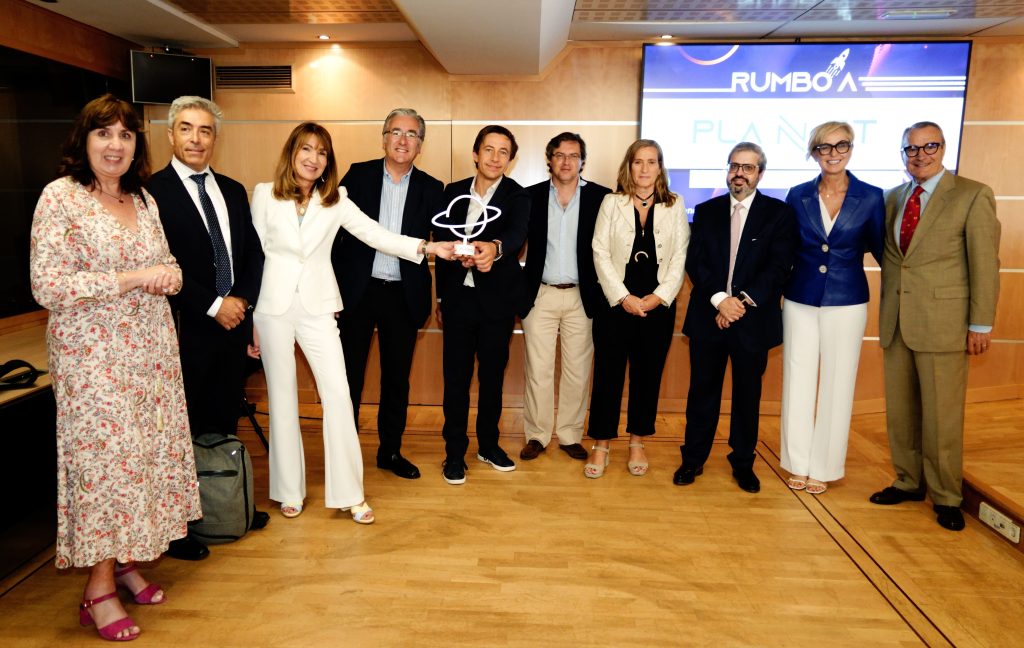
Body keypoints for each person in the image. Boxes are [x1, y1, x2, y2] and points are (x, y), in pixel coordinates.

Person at [30, 94, 201, 641]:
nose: (115, 145)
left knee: (142, 462)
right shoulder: (61, 198)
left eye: (125, 135)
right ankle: (98, 588)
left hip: (150, 356)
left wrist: (169, 276)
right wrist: (133, 279)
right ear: (83, 140)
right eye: (103, 133)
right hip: (93, 361)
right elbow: (47, 285)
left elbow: (168, 263)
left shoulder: (143, 199)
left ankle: (125, 563)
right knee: (107, 467)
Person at [248, 122, 452, 522]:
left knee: (339, 395)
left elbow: (377, 234)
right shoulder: (264, 195)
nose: (313, 158)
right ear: (292, 153)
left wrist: (427, 247)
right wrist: (251, 318)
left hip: (319, 308)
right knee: (282, 397)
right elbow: (254, 258)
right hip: (272, 309)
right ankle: (289, 490)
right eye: (306, 149)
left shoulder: (336, 199)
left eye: (322, 152)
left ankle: (350, 493)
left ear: (328, 161)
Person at [147, 96, 268, 561]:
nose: (196, 139)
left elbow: (252, 254)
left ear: (215, 138)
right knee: (183, 430)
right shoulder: (151, 193)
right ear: (170, 135)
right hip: (185, 327)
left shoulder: (233, 189)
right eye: (186, 128)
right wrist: (215, 305)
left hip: (233, 324)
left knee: (223, 420)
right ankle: (180, 529)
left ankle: (226, 505)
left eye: (205, 130)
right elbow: (162, 265)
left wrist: (242, 305)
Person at [870, 121, 1000, 531]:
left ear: (943, 149)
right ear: (903, 154)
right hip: (897, 321)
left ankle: (946, 496)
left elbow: (985, 264)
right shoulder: (891, 198)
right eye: (911, 148)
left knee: (942, 416)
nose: (920, 155)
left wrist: (980, 324)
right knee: (901, 413)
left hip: (944, 323)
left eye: (929, 146)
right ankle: (908, 481)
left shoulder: (972, 194)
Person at [675, 142, 796, 493]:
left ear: (760, 173)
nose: (739, 173)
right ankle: (692, 459)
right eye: (734, 166)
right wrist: (719, 301)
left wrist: (738, 304)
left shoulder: (778, 213)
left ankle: (743, 463)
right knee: (702, 394)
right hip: (708, 317)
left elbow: (779, 266)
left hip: (752, 320)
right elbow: (696, 261)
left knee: (747, 397)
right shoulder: (706, 210)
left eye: (748, 167)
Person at [331, 108, 444, 480]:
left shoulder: (433, 188)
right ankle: (344, 454)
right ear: (384, 138)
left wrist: (441, 297)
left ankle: (390, 451)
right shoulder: (358, 175)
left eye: (412, 134)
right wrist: (329, 291)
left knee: (397, 379)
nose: (402, 140)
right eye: (396, 132)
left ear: (420, 145)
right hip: (357, 293)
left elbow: (440, 245)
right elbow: (332, 237)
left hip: (402, 295)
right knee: (348, 375)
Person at [779, 122, 885, 495]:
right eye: (824, 147)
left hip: (848, 300)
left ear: (851, 149)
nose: (833, 153)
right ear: (814, 152)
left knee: (838, 382)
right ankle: (797, 462)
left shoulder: (871, 197)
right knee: (797, 379)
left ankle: (823, 467)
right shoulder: (797, 195)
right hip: (800, 298)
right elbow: (786, 248)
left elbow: (882, 250)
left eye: (841, 145)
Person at [433, 125, 530, 485]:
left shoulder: (518, 196)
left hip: (497, 304)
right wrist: (441, 297)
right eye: (489, 149)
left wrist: (494, 248)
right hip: (458, 301)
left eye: (503, 152)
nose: (495, 157)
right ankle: (454, 453)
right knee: (455, 381)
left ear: (510, 159)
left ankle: (488, 445)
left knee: (492, 380)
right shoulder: (453, 192)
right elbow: (442, 240)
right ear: (476, 154)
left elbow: (516, 234)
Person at [585, 139, 688, 478]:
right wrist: (623, 296)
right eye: (638, 162)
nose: (644, 168)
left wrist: (659, 296)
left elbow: (679, 257)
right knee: (608, 376)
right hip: (615, 304)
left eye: (651, 162)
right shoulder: (611, 202)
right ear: (628, 166)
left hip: (657, 305)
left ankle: (637, 441)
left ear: (660, 167)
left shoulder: (675, 204)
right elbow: (599, 251)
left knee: (647, 376)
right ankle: (601, 444)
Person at [519, 132, 611, 462]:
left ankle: (570, 434)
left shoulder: (602, 197)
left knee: (577, 370)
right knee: (538, 370)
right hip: (540, 295)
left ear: (582, 161)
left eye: (573, 155)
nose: (566, 161)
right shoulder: (529, 196)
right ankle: (537, 435)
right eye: (560, 155)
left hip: (582, 296)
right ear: (550, 160)